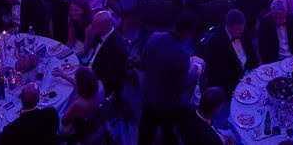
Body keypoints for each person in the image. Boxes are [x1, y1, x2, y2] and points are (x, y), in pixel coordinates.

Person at [139, 11, 197, 145]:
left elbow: (142, 65)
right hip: (167, 104)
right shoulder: (182, 55)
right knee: (168, 134)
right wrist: (192, 74)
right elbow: (181, 87)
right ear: (187, 32)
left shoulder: (154, 37)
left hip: (147, 96)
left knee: (145, 134)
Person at [199, 8, 257, 92]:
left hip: (249, 77)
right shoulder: (215, 42)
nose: (242, 32)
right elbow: (217, 72)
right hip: (231, 85)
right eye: (239, 29)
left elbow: (252, 54)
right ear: (230, 26)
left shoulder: (243, 32)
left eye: (242, 28)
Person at [88, 10, 129, 97]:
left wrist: (88, 76)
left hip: (98, 83)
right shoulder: (103, 34)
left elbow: (110, 78)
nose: (91, 27)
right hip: (92, 68)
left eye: (94, 25)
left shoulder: (116, 49)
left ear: (104, 27)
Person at [59, 66, 103, 139]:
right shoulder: (100, 84)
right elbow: (83, 84)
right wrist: (63, 76)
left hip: (81, 124)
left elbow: (64, 121)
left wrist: (73, 101)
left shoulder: (78, 104)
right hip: (93, 114)